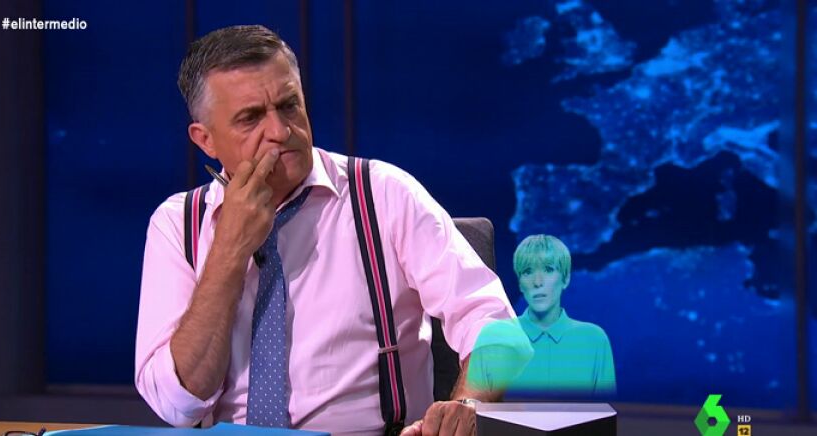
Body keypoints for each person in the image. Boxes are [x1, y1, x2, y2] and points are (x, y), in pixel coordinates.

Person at [134, 24, 531, 436]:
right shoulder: (178, 224)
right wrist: (229, 252)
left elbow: (495, 325)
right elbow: (176, 405)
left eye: (289, 106)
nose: (280, 132)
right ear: (205, 140)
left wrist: (467, 405)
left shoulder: (383, 195)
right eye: (250, 118)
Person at [507, 235, 616, 398]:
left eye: (548, 269)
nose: (538, 282)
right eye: (528, 272)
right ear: (520, 284)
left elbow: (605, 410)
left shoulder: (595, 340)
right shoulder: (499, 337)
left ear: (565, 279)